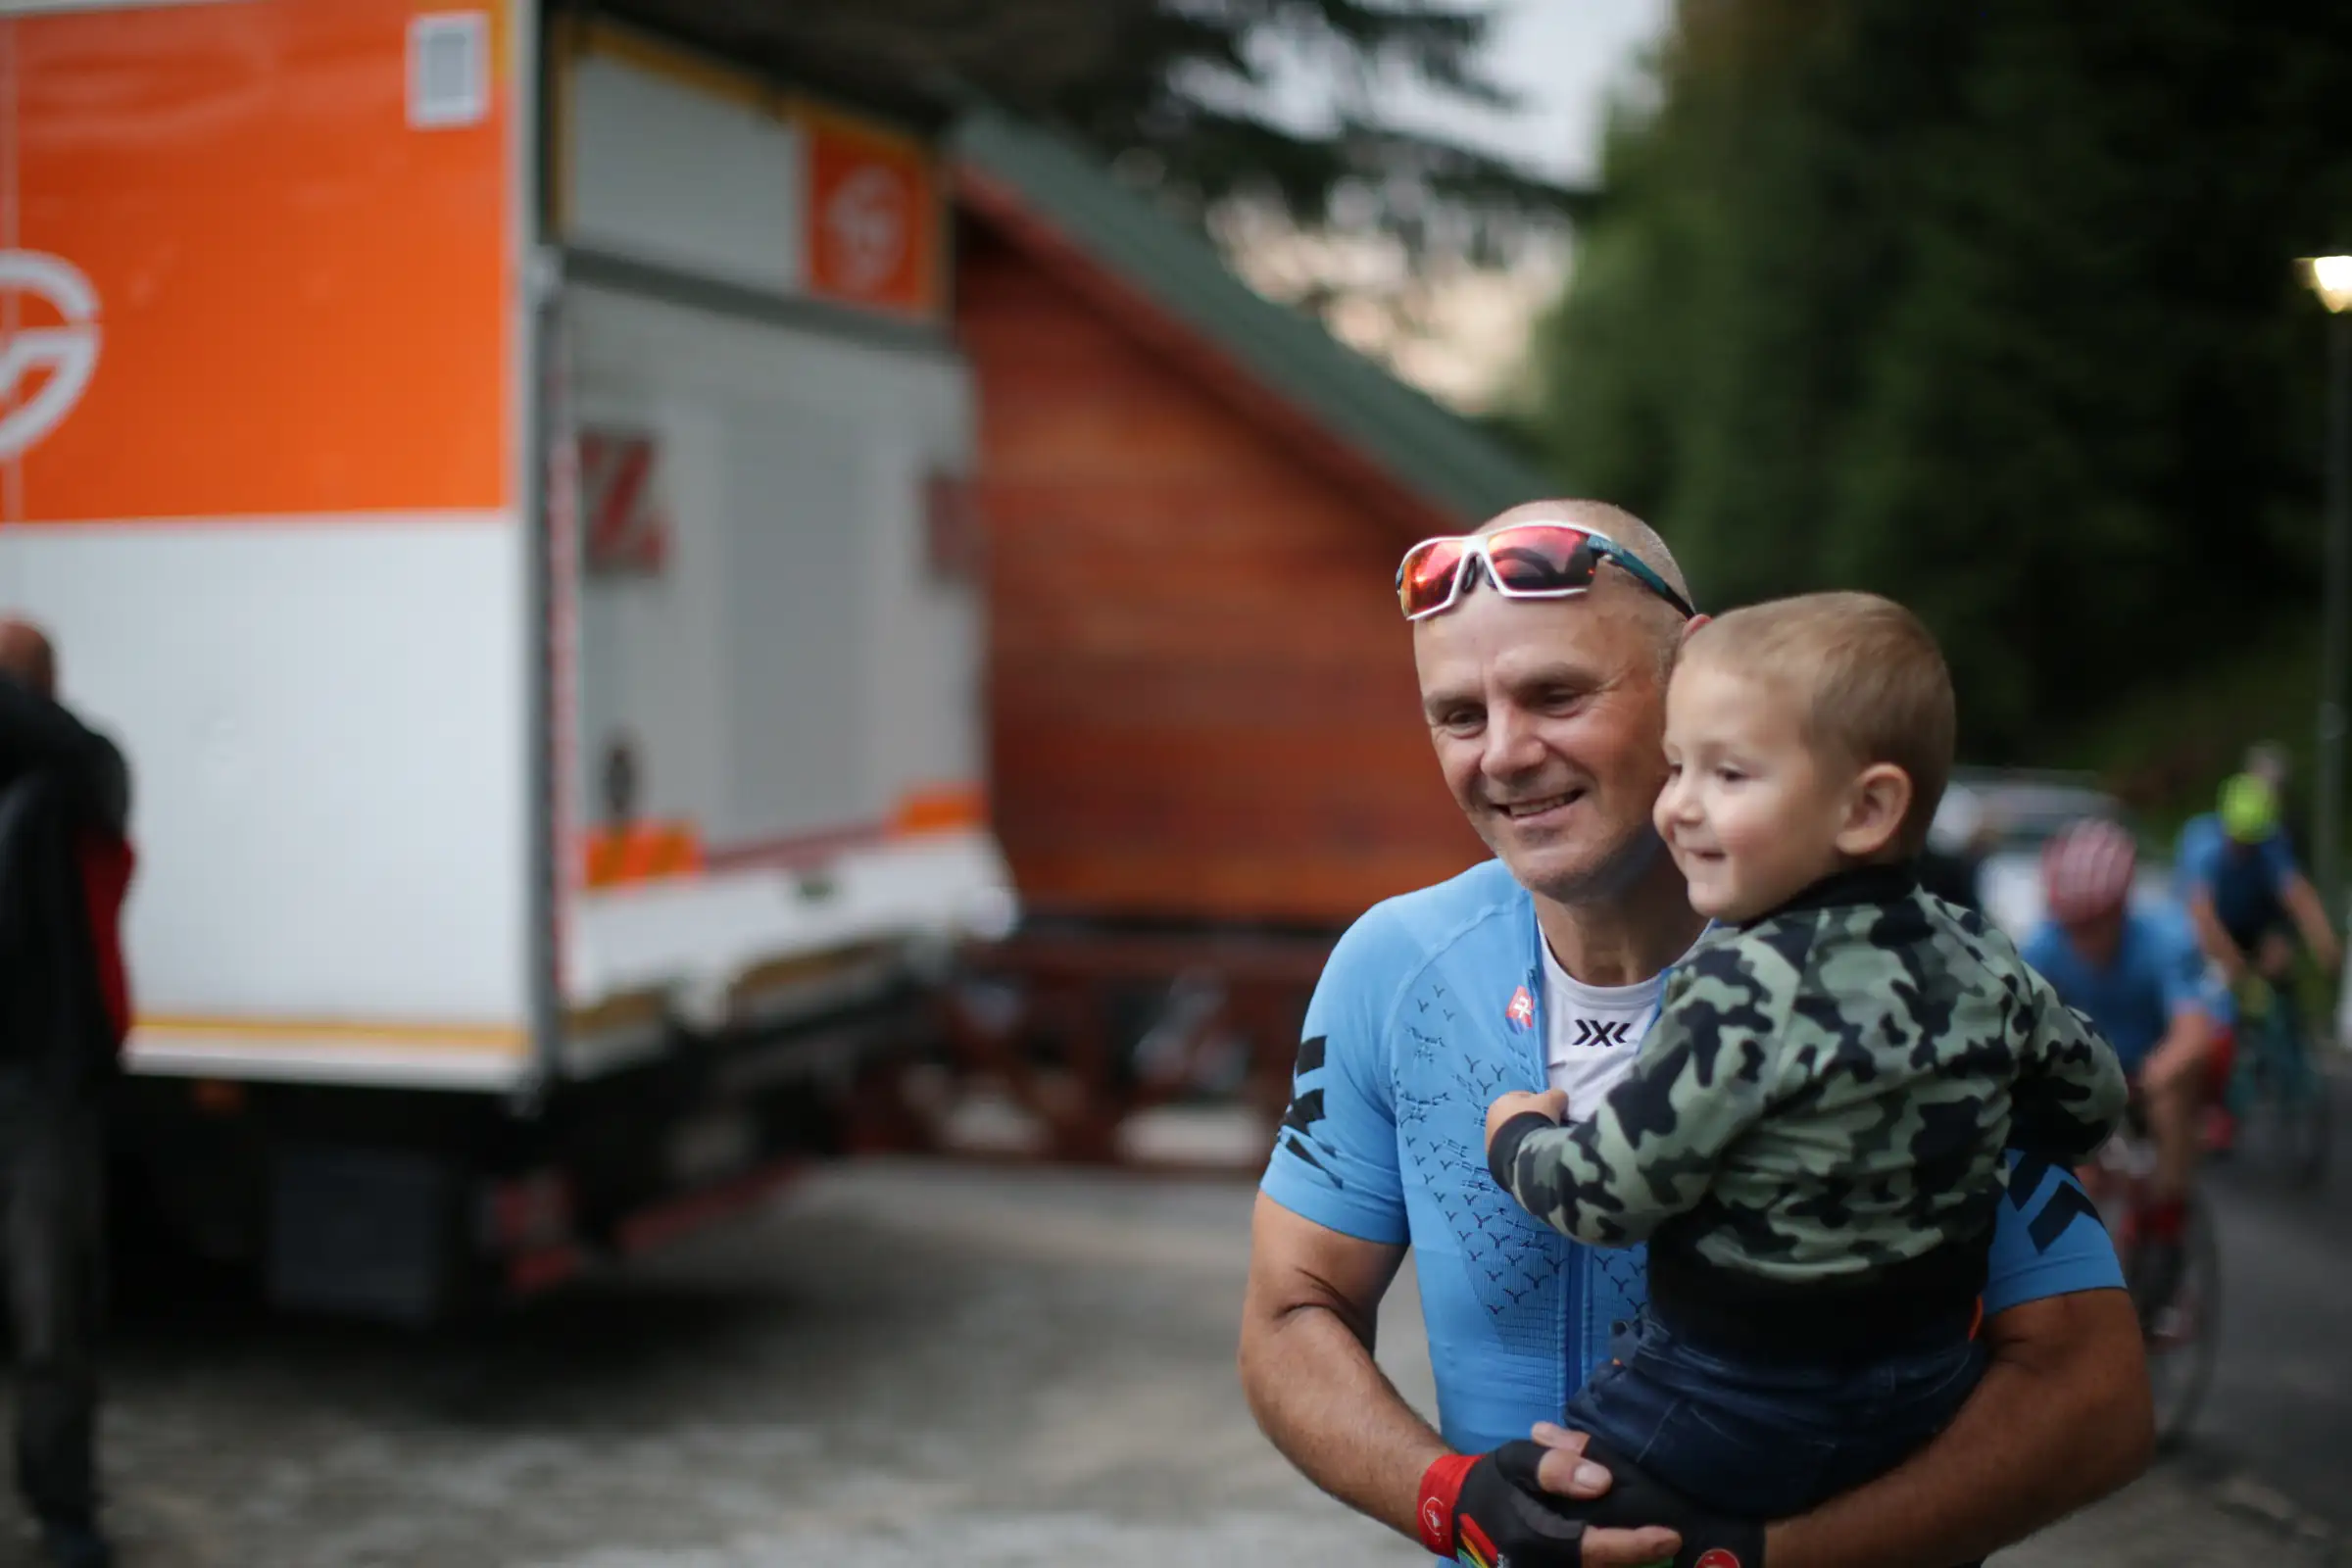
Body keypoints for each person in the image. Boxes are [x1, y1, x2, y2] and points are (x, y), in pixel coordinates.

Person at [1240, 500, 2152, 1568]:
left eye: (1557, 694)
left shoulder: (1895, 976)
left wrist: (1764, 1557)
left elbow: (2092, 1396)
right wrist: (1455, 1500)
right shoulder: (1395, 970)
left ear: (1695, 672)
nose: (1506, 754)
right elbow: (1288, 1312)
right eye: (1458, 715)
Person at [1480, 593, 2126, 1526]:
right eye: (1677, 767)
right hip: (1930, 1386)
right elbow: (2092, 1103)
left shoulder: (1740, 987)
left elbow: (1607, 1199)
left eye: (1728, 775)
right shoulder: (1980, 955)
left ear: (1867, 808)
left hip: (1731, 1400)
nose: (1677, 807)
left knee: (1556, 1508)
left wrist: (1518, 1139)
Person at [0, 618, 130, 1568]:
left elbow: (62, 746)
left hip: (43, 1082)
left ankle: (64, 1511)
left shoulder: (83, 772)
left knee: (51, 1311)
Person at [2025, 818, 2220, 1325]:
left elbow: (2193, 1033)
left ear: (2120, 909)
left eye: (2093, 924)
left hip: (2156, 1063)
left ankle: (2167, 1229)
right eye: (2071, 924)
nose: (2080, 938)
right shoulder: (2045, 944)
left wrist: (2153, 1078)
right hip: (2095, 1066)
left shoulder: (2165, 939)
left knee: (2172, 1096)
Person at [2174, 770, 2339, 1004]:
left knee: (2279, 967)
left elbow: (2300, 897)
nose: (2246, 848)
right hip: (2204, 933)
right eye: (2240, 841)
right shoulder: (2201, 843)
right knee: (2214, 989)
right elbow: (2202, 916)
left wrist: (2328, 951)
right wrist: (2240, 973)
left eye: (2253, 840)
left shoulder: (2270, 842)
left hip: (2252, 927)